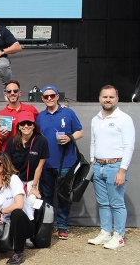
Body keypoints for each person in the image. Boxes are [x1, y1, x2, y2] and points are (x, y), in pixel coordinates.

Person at [88, 85, 135, 249]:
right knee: (103, 203)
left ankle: (119, 236)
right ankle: (105, 232)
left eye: (111, 97)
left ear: (117, 99)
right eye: (104, 97)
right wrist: (93, 162)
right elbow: (93, 142)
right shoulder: (96, 119)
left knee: (116, 203)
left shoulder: (124, 119)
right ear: (100, 98)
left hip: (115, 166)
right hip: (98, 166)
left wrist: (122, 169)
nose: (107, 100)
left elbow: (129, 146)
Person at [35, 85, 83, 240]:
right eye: (46, 96)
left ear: (57, 96)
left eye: (52, 95)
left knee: (63, 196)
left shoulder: (68, 112)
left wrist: (70, 137)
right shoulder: (40, 116)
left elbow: (80, 131)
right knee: (47, 196)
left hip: (66, 163)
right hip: (46, 164)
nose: (49, 98)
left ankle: (62, 226)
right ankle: (47, 224)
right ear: (42, 98)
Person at [0, 151, 35, 265]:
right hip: (5, 224)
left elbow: (19, 204)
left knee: (17, 213)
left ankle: (18, 253)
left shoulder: (14, 179)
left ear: (5, 165)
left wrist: (0, 212)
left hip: (24, 223)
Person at [4, 112, 48, 198]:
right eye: (23, 123)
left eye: (29, 123)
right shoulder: (12, 141)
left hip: (32, 181)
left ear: (34, 126)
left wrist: (34, 187)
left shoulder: (42, 141)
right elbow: (7, 163)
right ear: (19, 126)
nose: (26, 126)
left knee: (31, 202)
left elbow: (39, 167)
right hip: (15, 180)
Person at [0, 81, 39, 150]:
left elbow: (42, 123)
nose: (12, 93)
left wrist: (60, 107)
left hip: (28, 149)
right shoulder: (1, 114)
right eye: (9, 91)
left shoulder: (31, 109)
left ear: (19, 93)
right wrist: (1, 136)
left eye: (15, 91)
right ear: (6, 94)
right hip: (9, 151)